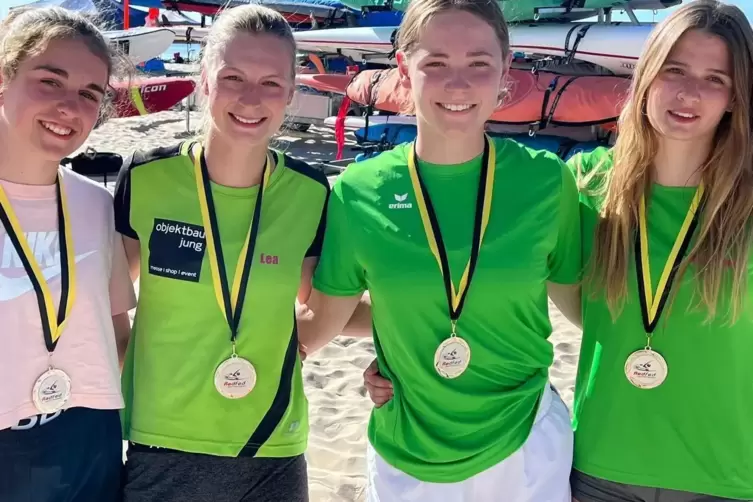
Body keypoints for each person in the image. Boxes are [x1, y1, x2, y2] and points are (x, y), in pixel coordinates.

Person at [296, 0, 581, 499]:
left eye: (478, 64)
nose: (458, 85)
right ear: (404, 69)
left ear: (505, 68)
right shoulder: (358, 192)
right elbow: (322, 324)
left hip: (525, 445)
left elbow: (589, 311)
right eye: (436, 64)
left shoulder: (547, 182)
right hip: (408, 454)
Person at [114, 5, 340, 501]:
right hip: (163, 443)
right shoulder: (148, 175)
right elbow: (105, 299)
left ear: (291, 95)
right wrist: (134, 359)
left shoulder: (311, 191)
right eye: (233, 76)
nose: (250, 98)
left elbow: (324, 305)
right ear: (204, 79)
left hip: (272, 444)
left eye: (271, 84)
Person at [567, 1, 753, 501]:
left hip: (724, 477)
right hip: (599, 469)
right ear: (647, 75)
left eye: (716, 79)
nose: (690, 93)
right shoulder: (585, 185)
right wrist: (400, 366)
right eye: (674, 70)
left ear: (736, 98)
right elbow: (492, 282)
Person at [0, 6, 135, 502]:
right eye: (50, 81)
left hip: (87, 441)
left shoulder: (94, 204)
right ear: (3, 78)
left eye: (88, 94)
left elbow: (117, 332)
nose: (69, 108)